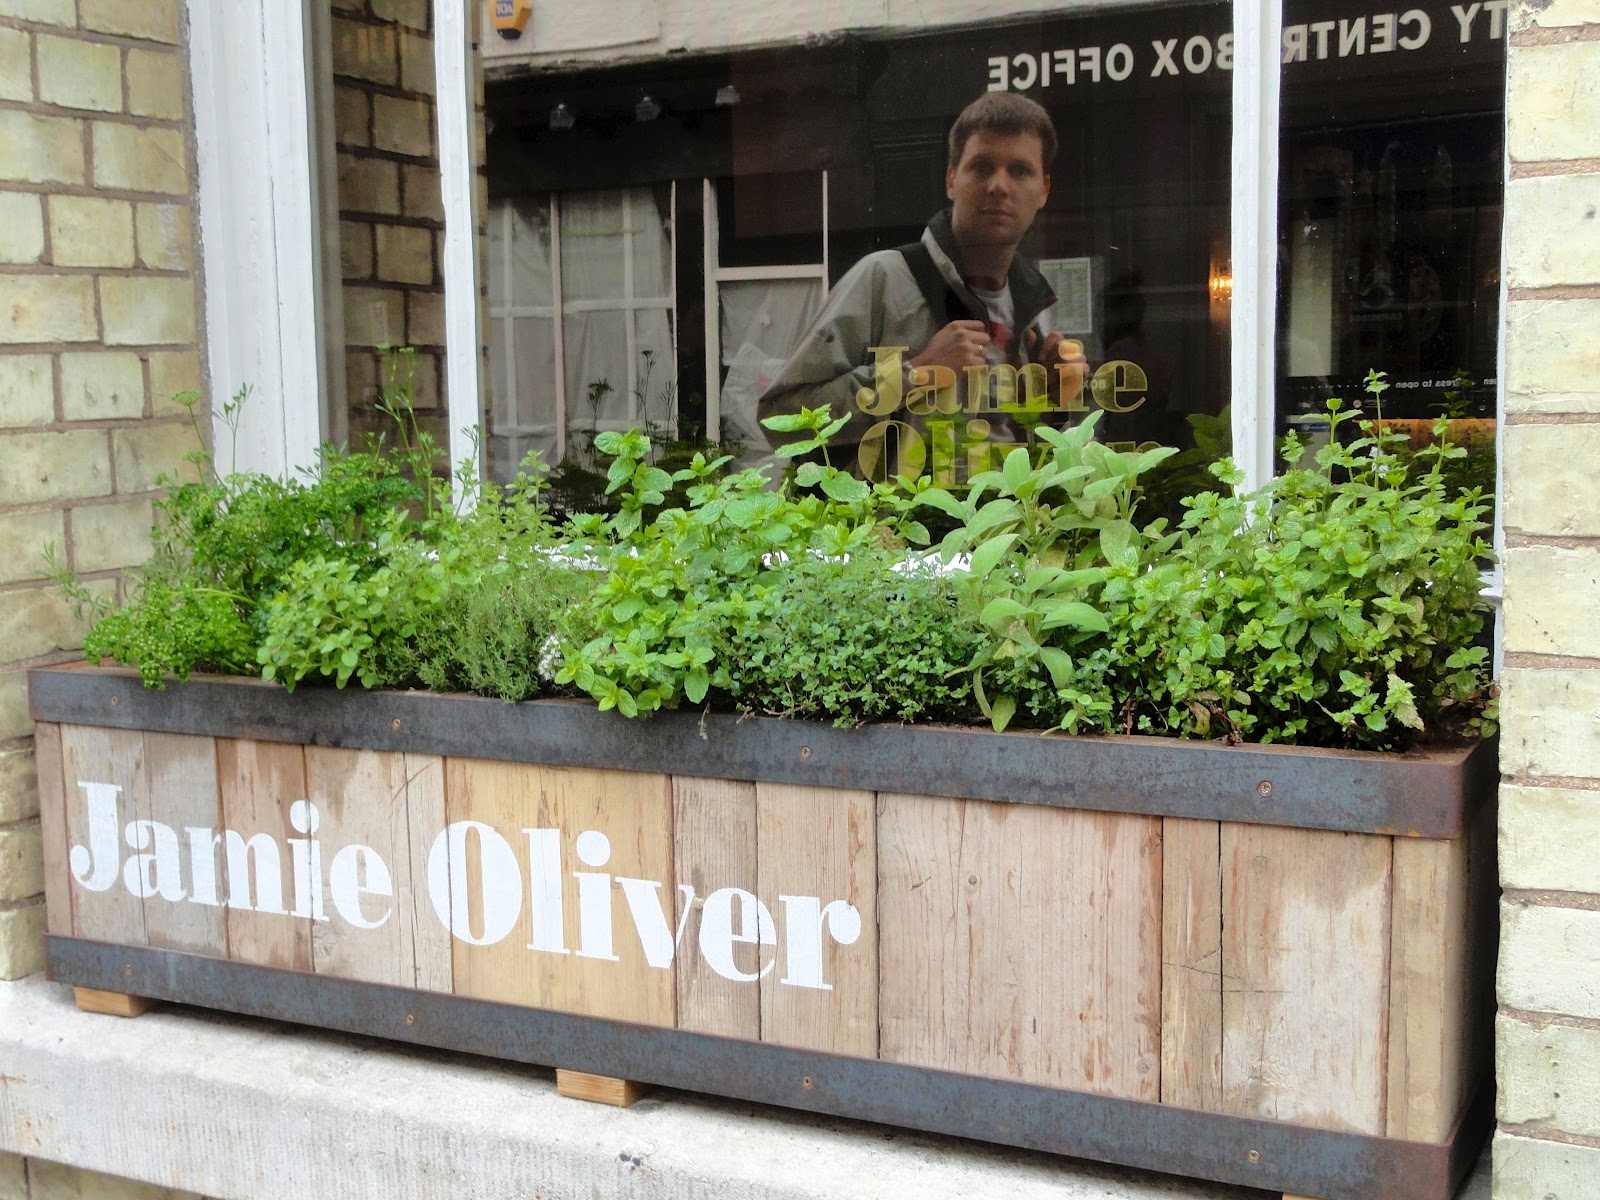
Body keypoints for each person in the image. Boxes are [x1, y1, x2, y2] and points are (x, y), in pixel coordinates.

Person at [758, 91, 1087, 480]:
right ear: (951, 180)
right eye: (981, 167)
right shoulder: (882, 280)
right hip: (894, 522)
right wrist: (916, 372)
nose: (999, 185)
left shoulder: (1036, 307)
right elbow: (781, 418)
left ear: (1043, 190)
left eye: (1019, 171)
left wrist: (1056, 401)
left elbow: (1019, 447)